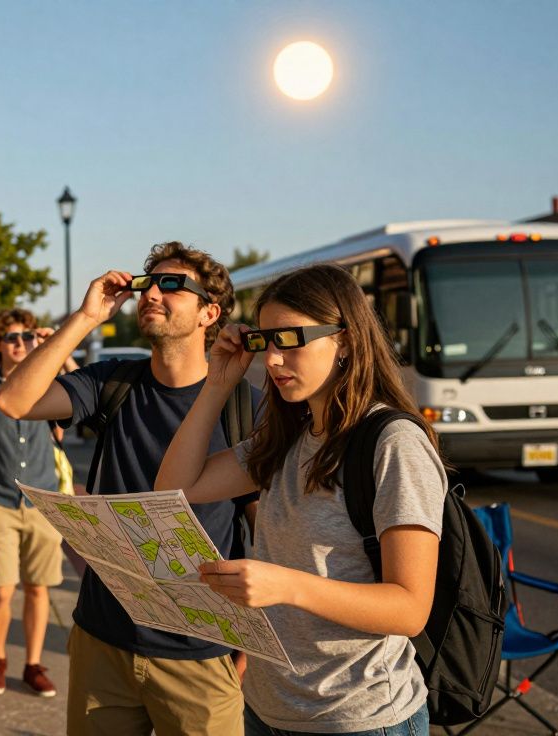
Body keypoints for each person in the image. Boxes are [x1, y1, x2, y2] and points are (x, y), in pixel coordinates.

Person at [154, 264, 446, 736]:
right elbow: (175, 490)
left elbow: (410, 609)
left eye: (288, 339)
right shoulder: (286, 439)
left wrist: (286, 586)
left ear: (346, 340)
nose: (271, 360)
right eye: (263, 341)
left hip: (359, 718)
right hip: (270, 710)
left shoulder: (392, 443)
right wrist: (216, 384)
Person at [0, 242, 250, 736]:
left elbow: (267, 532)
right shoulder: (113, 382)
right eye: (147, 283)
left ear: (209, 312)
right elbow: (13, 400)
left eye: (173, 285)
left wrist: (253, 652)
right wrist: (86, 317)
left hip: (199, 653)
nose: (152, 292)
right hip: (103, 640)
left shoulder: (245, 406)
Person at [0, 309, 65, 698]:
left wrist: (56, 346)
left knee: (39, 588)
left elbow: (68, 425)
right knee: (2, 588)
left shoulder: (50, 385)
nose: (20, 343)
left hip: (42, 500)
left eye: (26, 337)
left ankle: (33, 663)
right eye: (11, 338)